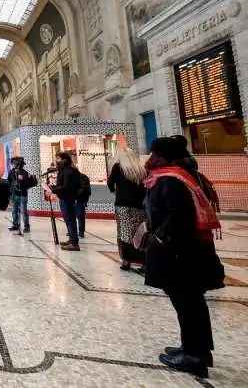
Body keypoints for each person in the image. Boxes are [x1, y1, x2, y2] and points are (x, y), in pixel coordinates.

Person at [143, 137, 224, 378]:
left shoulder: (171, 180)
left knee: (187, 302)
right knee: (191, 303)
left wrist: (159, 239)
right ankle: (197, 348)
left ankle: (194, 355)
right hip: (188, 251)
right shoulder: (180, 175)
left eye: (154, 154)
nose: (150, 159)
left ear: (163, 157)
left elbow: (177, 218)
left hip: (179, 254)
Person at [107, 149, 147, 271]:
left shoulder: (118, 168)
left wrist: (115, 192)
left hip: (123, 204)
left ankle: (126, 260)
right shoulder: (141, 169)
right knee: (140, 232)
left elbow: (110, 183)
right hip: (140, 204)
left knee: (124, 231)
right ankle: (143, 260)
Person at [50, 152, 81, 251]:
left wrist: (54, 189)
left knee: (70, 219)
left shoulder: (68, 171)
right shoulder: (65, 171)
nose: (57, 161)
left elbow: (67, 187)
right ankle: (72, 239)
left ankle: (74, 243)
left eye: (58, 158)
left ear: (64, 160)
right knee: (67, 219)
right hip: (64, 198)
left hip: (68, 198)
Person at [7, 157, 32, 234]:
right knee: (14, 211)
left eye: (16, 163)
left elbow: (27, 184)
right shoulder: (11, 172)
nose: (14, 164)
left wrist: (22, 179)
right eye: (13, 163)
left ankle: (26, 226)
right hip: (15, 194)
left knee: (23, 211)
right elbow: (9, 182)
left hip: (23, 194)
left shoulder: (24, 172)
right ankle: (15, 225)